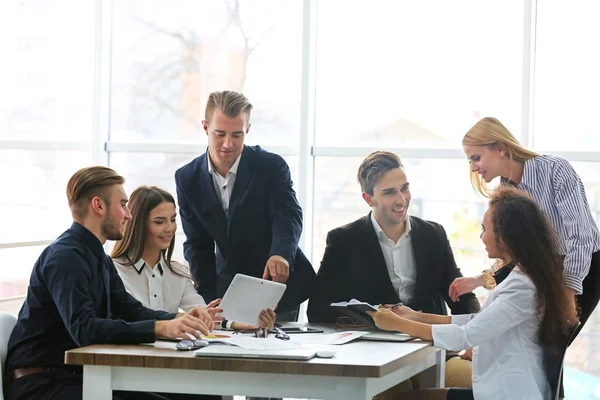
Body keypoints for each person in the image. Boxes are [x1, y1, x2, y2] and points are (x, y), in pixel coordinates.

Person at [3, 167, 218, 400]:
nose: (128, 214)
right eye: (123, 204)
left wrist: (178, 319)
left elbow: (130, 310)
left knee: (201, 395)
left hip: (77, 377)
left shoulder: (98, 258)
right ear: (99, 206)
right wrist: (159, 328)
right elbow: (85, 329)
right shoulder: (65, 257)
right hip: (42, 385)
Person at [368, 188, 575, 400]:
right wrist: (414, 316)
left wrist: (397, 324)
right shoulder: (524, 276)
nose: (481, 236)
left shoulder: (521, 287)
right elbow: (477, 321)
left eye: (485, 229)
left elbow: (466, 336)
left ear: (504, 237)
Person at [307, 151, 481, 394]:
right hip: (376, 354)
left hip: (432, 350)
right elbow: (318, 307)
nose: (401, 199)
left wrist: (479, 336)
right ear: (369, 198)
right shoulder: (344, 240)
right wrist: (371, 318)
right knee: (394, 391)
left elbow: (460, 295)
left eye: (405, 188)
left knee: (484, 382)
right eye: (389, 192)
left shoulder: (433, 234)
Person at [452, 117, 600, 335]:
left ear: (501, 149)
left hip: (583, 266)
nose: (473, 168)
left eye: (476, 158)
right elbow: (514, 253)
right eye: (470, 161)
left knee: (554, 345)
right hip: (546, 270)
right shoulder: (505, 191)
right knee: (539, 347)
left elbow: (580, 236)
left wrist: (568, 292)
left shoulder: (555, 170)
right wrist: (480, 279)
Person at [175, 90, 315, 319]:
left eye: (237, 135)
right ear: (205, 127)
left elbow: (287, 214)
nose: (228, 144)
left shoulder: (271, 166)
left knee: (276, 352)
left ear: (247, 130)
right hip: (226, 290)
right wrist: (206, 300)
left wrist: (280, 254)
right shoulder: (187, 178)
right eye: (220, 134)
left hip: (276, 286)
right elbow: (197, 246)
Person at [111, 185, 276, 330]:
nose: (170, 228)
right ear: (138, 224)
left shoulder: (178, 272)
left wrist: (246, 323)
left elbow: (204, 313)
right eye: (159, 222)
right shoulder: (113, 269)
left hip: (170, 355)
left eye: (173, 219)